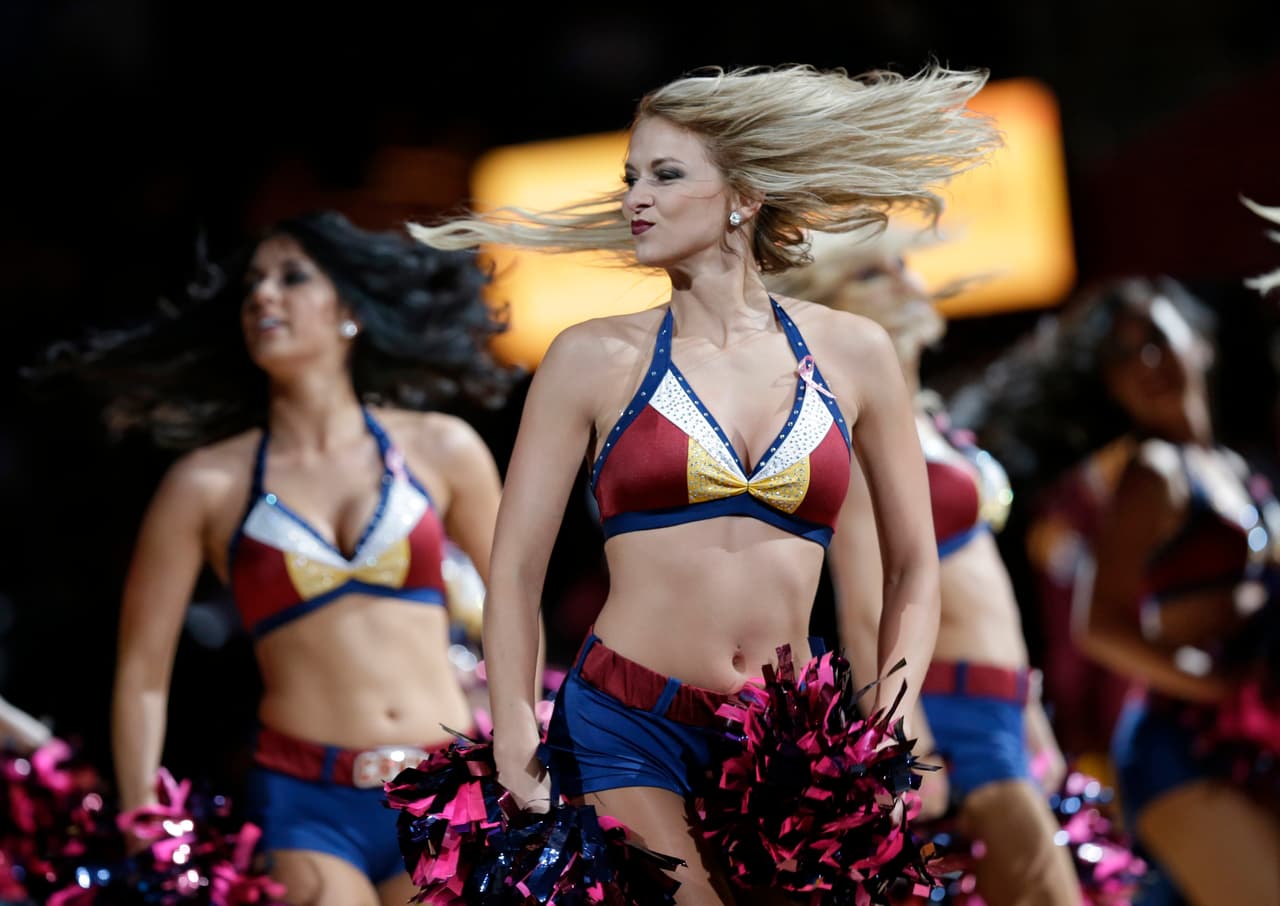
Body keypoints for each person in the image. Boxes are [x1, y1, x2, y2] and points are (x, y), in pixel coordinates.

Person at [405, 64, 998, 904]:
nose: (635, 198)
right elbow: (515, 568)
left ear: (743, 197)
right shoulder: (589, 356)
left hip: (788, 743)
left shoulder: (853, 352)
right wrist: (510, 734)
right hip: (626, 721)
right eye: (630, 177)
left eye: (665, 174)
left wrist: (889, 727)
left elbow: (912, 567)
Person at [39, 211, 512, 906]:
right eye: (253, 285)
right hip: (308, 806)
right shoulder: (205, 484)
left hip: (450, 789)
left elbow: (514, 609)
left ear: (349, 309)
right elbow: (142, 675)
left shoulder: (443, 448)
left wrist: (528, 748)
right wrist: (144, 815)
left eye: (292, 278)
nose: (264, 296)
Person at [768, 230, 1082, 906]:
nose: (905, 281)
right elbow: (864, 603)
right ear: (832, 311)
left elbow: (985, 587)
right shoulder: (848, 429)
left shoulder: (927, 420)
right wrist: (902, 742)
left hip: (1000, 703)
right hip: (947, 706)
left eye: (901, 264)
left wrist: (1031, 716)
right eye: (872, 276)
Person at [973, 275, 1280, 905]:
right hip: (1180, 748)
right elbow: (1099, 627)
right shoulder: (1153, 474)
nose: (1147, 365)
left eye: (1158, 342)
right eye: (1124, 357)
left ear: (1201, 345)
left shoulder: (1235, 467)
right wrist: (1218, 686)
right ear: (1111, 386)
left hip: (1245, 742)